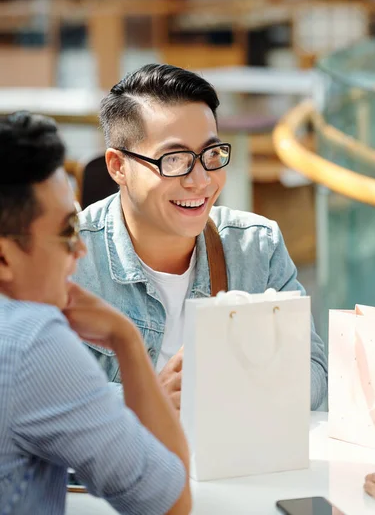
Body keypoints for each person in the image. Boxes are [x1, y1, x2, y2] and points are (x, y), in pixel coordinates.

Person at [73, 63, 328, 411]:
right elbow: (31, 398)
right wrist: (147, 399)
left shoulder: (256, 246)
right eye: (175, 159)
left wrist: (243, 380)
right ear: (118, 166)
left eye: (211, 154)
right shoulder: (66, 258)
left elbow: (313, 377)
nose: (201, 180)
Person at [0, 111, 191, 515]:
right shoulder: (33, 341)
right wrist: (127, 341)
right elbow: (172, 502)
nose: (80, 249)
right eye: (68, 230)